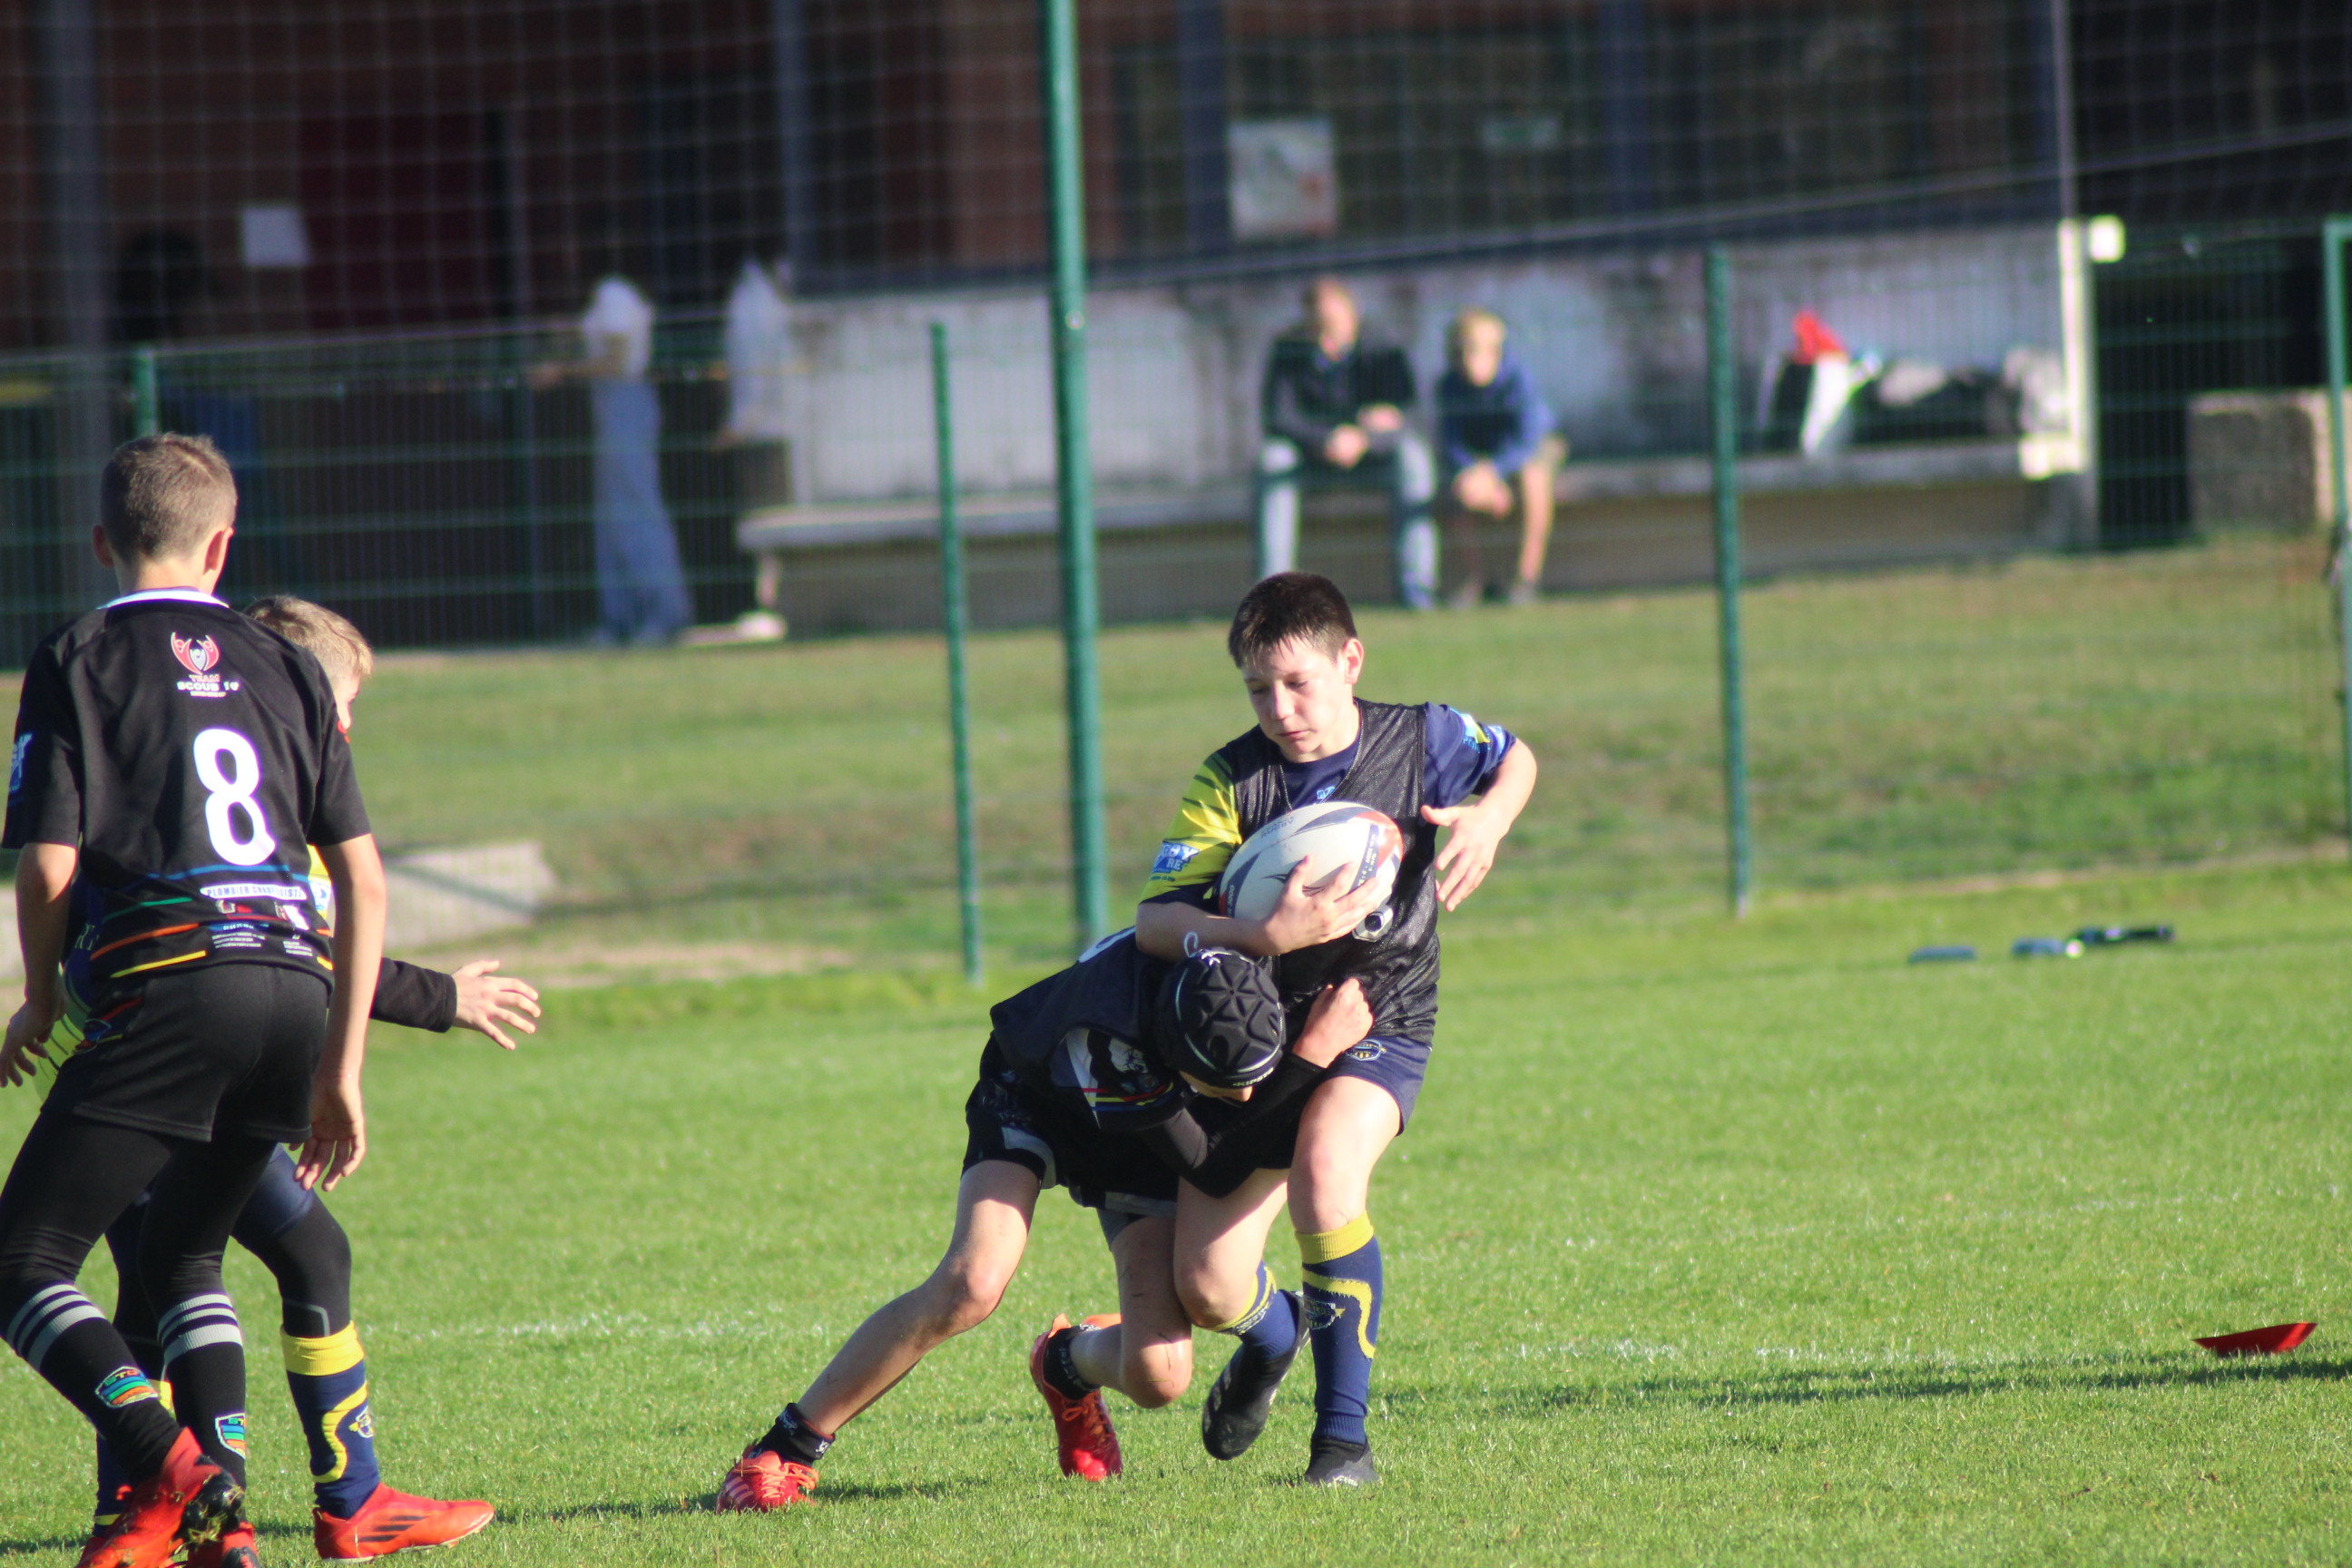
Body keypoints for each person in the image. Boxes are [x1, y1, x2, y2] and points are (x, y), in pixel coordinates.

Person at [12, 594, 537, 1561]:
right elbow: (307, 950)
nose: (346, 727)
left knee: (168, 1278)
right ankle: (327, 1500)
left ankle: (163, 1516)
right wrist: (444, 998)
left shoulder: (188, 777)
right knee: (262, 1258)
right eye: (344, 704)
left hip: (148, 1053)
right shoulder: (252, 801)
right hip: (164, 1066)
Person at [0, 434, 385, 1568]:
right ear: (223, 546)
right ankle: (223, 1532)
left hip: (171, 989)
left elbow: (48, 867)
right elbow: (361, 880)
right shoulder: (285, 665)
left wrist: (36, 998)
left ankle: (177, 1467)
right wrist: (341, 1071)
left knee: (23, 1265)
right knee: (180, 1261)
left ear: (100, 543)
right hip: (295, 994)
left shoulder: (77, 655)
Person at [711, 933, 1371, 1511]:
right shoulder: (1113, 1040)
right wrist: (1310, 1057)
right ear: (1175, 1054)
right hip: (1036, 1096)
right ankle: (785, 1448)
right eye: (1230, 1083)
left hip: (1147, 1130)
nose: (1246, 1095)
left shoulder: (1229, 977)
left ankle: (1065, 1363)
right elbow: (1215, 1168)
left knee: (1159, 1377)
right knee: (972, 1281)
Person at [1133, 571, 1539, 1485]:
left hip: (1379, 1015)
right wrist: (1263, 938)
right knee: (1208, 1287)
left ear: (1350, 661)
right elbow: (1157, 922)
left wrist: (1491, 818)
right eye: (1258, 690)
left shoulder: (1421, 739)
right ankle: (1274, 1337)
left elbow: (1515, 756)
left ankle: (1342, 1446)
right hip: (1263, 1043)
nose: (1280, 709)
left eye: (1298, 683)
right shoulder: (1232, 780)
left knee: (1326, 1173)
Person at [1257, 279, 1439, 610]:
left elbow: (1409, 411)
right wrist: (1324, 439)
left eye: (1333, 324)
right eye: (1317, 326)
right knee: (1273, 459)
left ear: (1352, 315)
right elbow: (1277, 417)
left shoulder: (1383, 347)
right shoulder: (1288, 350)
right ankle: (1274, 599)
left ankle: (1418, 592)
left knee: (1414, 458)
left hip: (1374, 456)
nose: (1325, 336)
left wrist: (1364, 436)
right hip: (1312, 458)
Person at [531, 276, 694, 645]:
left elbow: (617, 361)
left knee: (637, 508)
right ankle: (621, 618)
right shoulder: (600, 302)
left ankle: (664, 613)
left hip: (625, 402)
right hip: (608, 405)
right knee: (612, 517)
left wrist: (562, 371)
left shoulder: (613, 293)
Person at [1436, 309, 1566, 609]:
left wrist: (1493, 472)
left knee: (1534, 477)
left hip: (1531, 449)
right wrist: (1473, 474)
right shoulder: (1448, 386)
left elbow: (1528, 440)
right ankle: (1475, 579)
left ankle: (1526, 579)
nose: (1469, 359)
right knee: (1457, 488)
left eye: (1477, 350)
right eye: (1461, 351)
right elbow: (1450, 442)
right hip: (1480, 461)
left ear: (1496, 351)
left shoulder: (1518, 380)